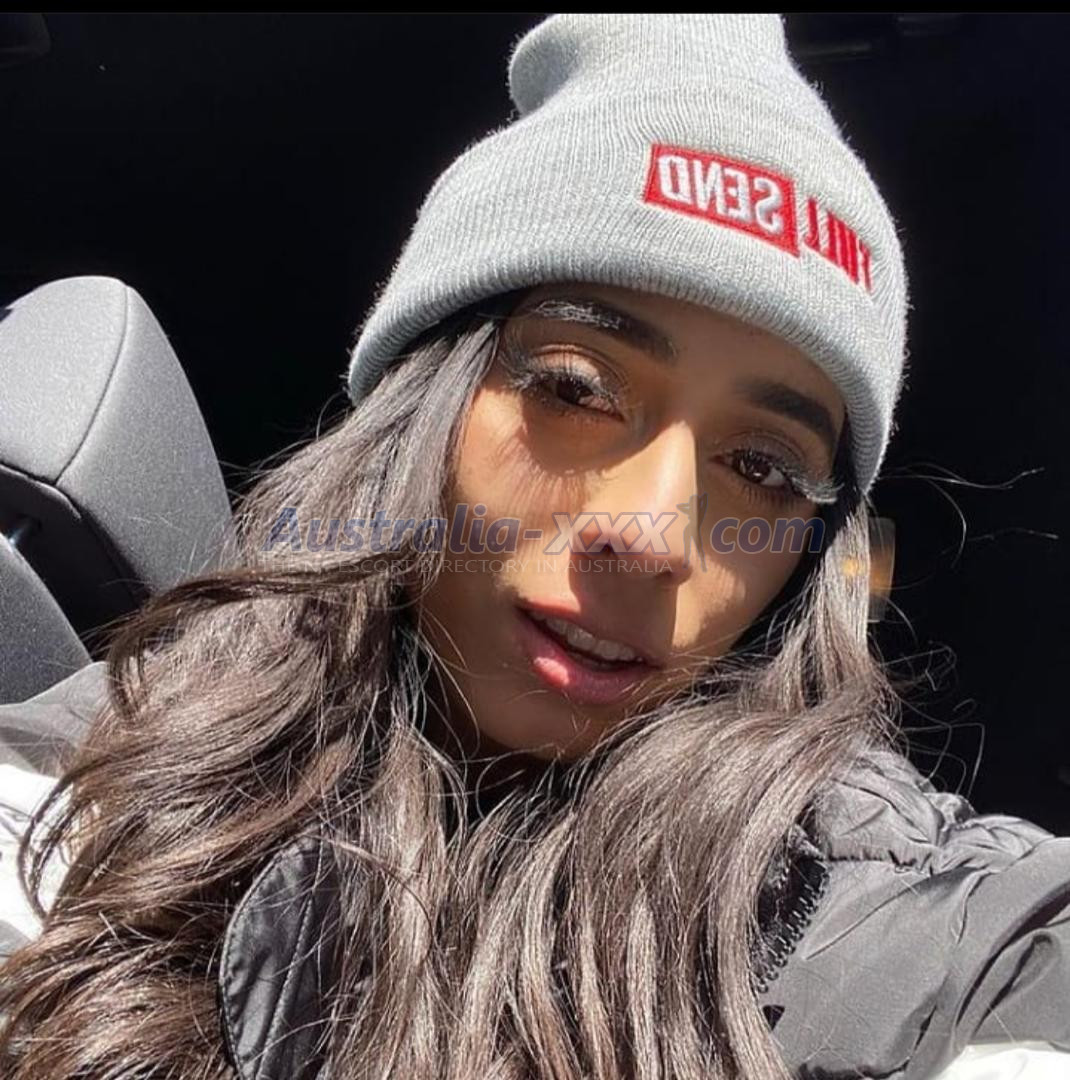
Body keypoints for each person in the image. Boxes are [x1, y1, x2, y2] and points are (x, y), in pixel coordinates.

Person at [0, 13, 1067, 1080]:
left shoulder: (912, 927)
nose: (648, 535)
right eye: (574, 389)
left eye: (763, 466)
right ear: (422, 407)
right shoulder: (77, 797)